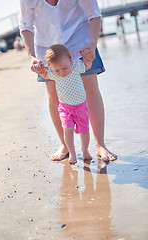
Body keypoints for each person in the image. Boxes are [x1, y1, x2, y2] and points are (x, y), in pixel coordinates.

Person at [19, 0, 117, 162]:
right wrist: (31, 57)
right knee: (53, 95)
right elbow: (26, 26)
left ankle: (100, 144)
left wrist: (92, 46)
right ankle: (64, 145)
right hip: (47, 46)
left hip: (79, 37)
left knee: (90, 88)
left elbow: (94, 13)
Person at [38, 44, 92, 164]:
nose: (62, 72)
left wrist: (87, 57)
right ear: (51, 67)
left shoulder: (76, 66)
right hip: (65, 109)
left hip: (81, 107)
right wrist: (41, 71)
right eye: (57, 70)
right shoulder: (53, 73)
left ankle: (85, 150)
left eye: (64, 68)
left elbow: (87, 66)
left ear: (71, 60)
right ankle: (72, 152)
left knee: (84, 130)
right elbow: (46, 75)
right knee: (67, 130)